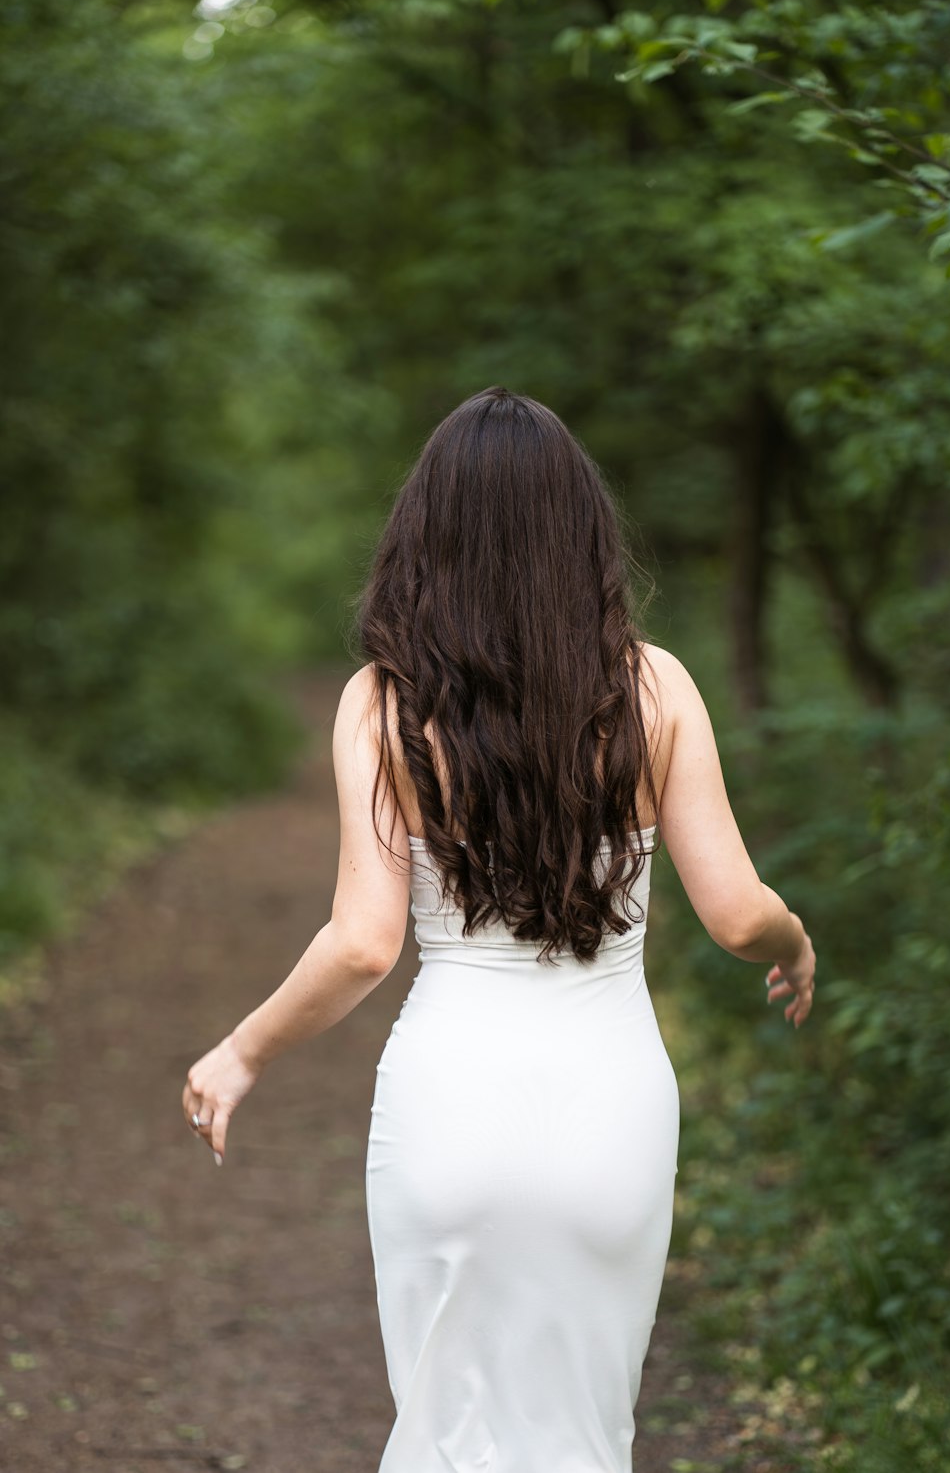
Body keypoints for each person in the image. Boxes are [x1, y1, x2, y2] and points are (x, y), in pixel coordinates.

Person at [181, 386, 816, 1473]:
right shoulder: (652, 690)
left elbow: (363, 943)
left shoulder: (382, 704)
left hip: (448, 1108)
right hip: (609, 1116)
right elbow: (734, 912)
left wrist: (240, 1052)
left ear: (423, 536)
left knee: (443, 1431)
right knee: (582, 1433)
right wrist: (793, 942)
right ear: (580, 534)